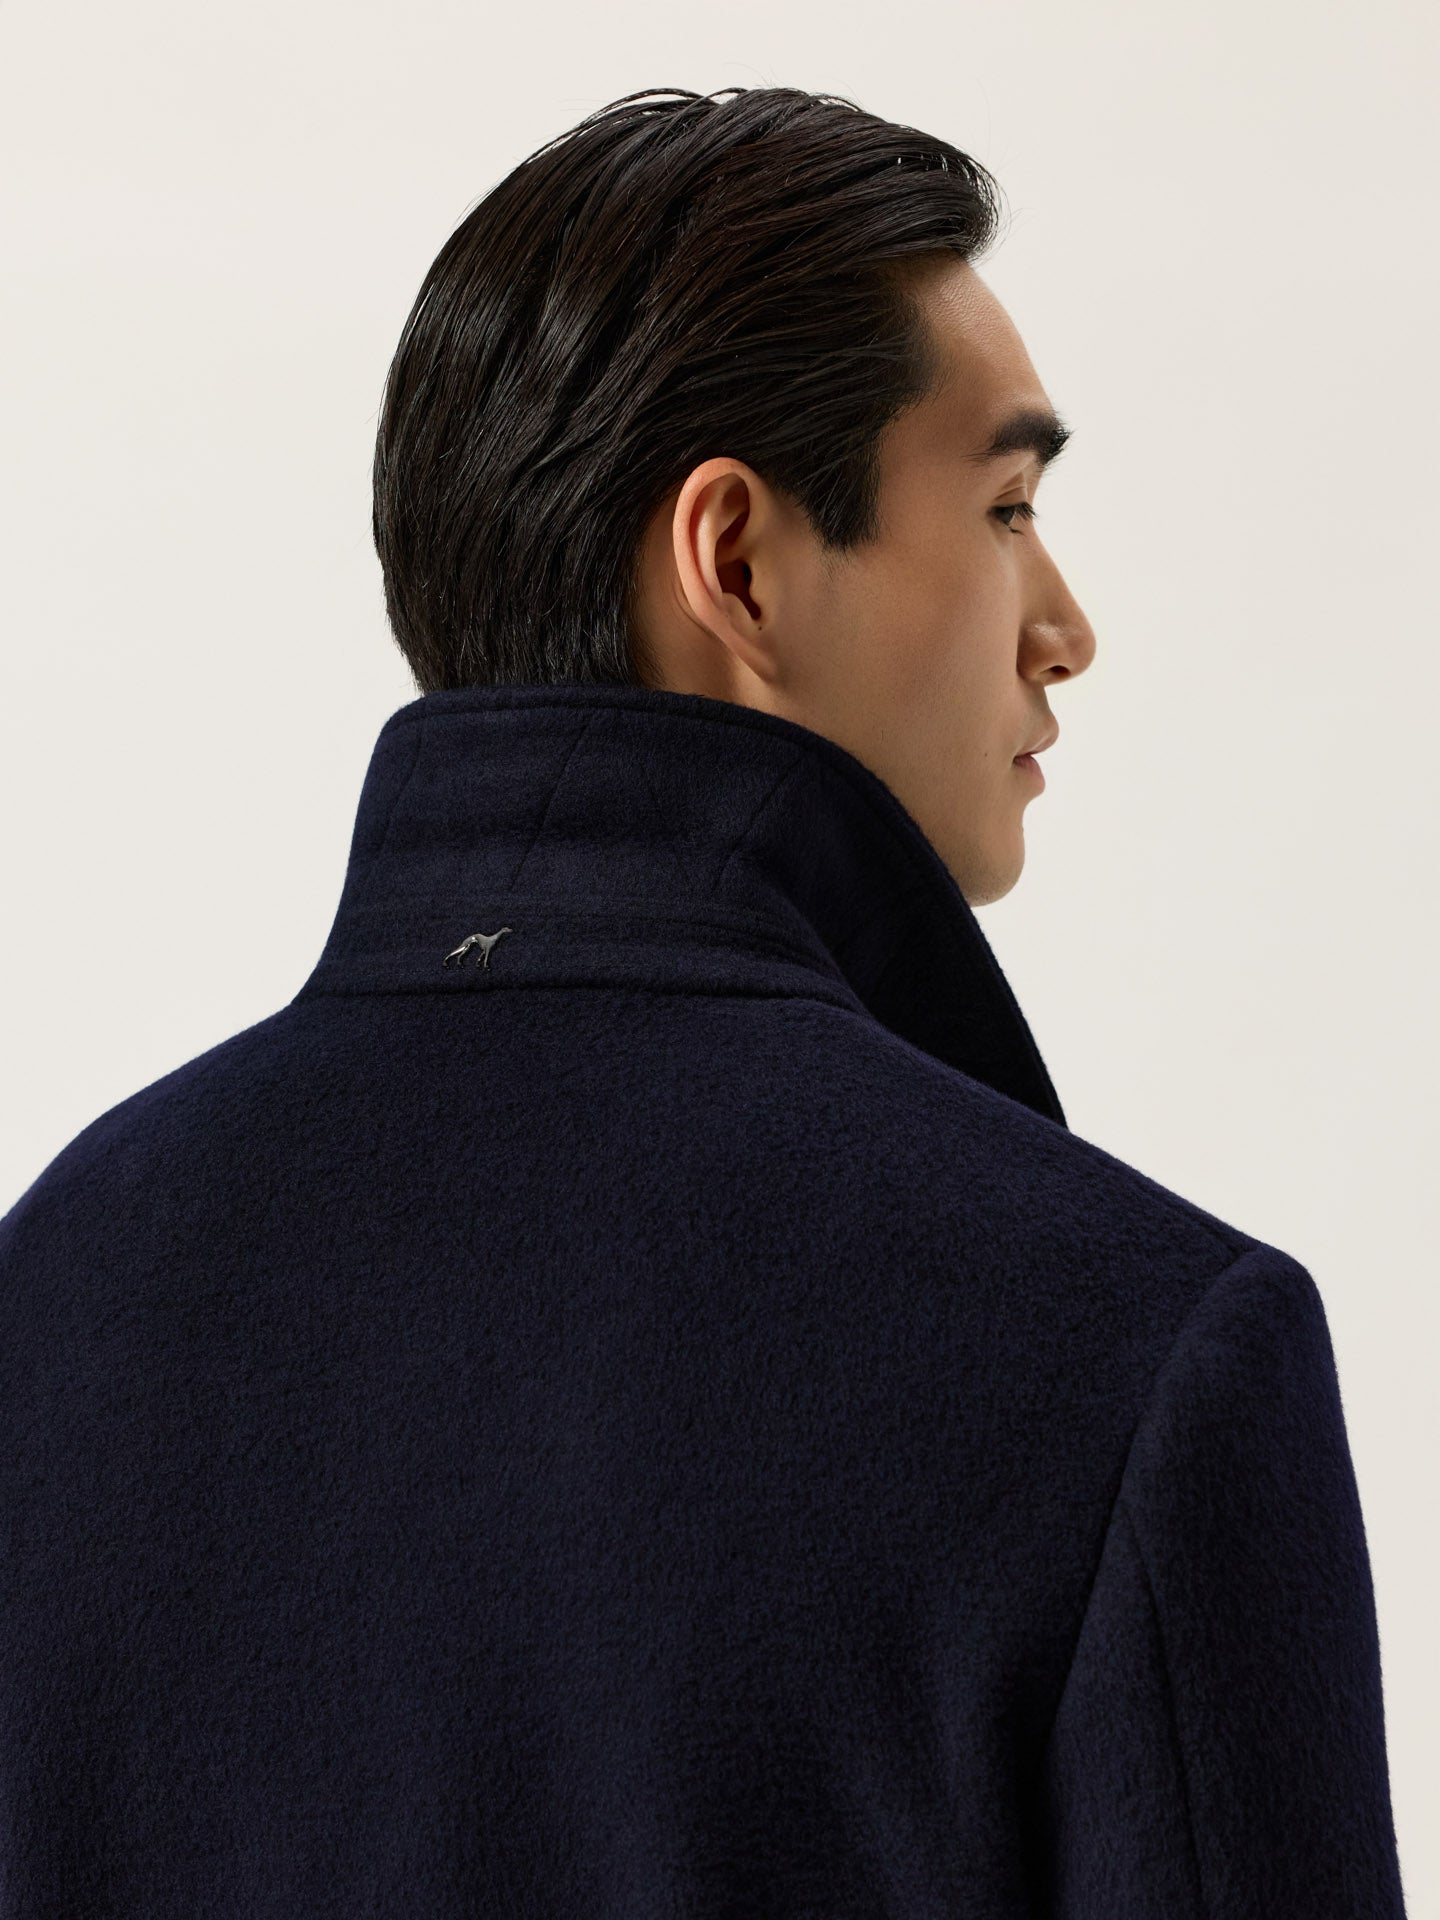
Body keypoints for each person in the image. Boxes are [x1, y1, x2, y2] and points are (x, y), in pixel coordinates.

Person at [0, 85, 1408, 1918]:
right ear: (737, 562)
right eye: (1005, 506)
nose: (1066, 627)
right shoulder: (1135, 1356)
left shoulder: (49, 1300)